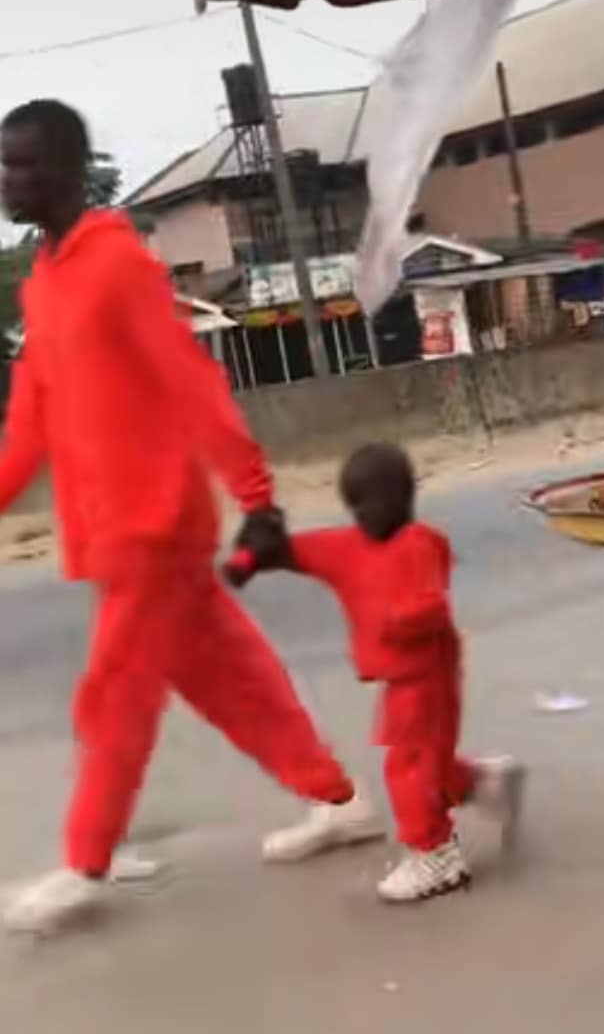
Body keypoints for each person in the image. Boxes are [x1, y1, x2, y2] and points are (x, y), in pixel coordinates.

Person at [0, 100, 381, 933]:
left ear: (67, 170)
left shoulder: (118, 267)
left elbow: (191, 383)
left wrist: (256, 497)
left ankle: (84, 861)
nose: (7, 179)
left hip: (153, 524)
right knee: (226, 676)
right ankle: (338, 800)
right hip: (109, 528)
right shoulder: (48, 278)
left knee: (114, 693)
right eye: (4, 163)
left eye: (23, 164)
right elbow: (30, 415)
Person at [229, 443, 525, 903]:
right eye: (357, 506)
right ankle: (485, 783)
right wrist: (256, 555)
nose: (366, 515)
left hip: (428, 675)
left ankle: (436, 854)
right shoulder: (353, 547)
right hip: (402, 678)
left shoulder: (418, 543)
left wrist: (397, 621)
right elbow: (303, 553)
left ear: (403, 498)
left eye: (375, 502)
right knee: (428, 761)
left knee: (408, 765)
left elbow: (430, 603)